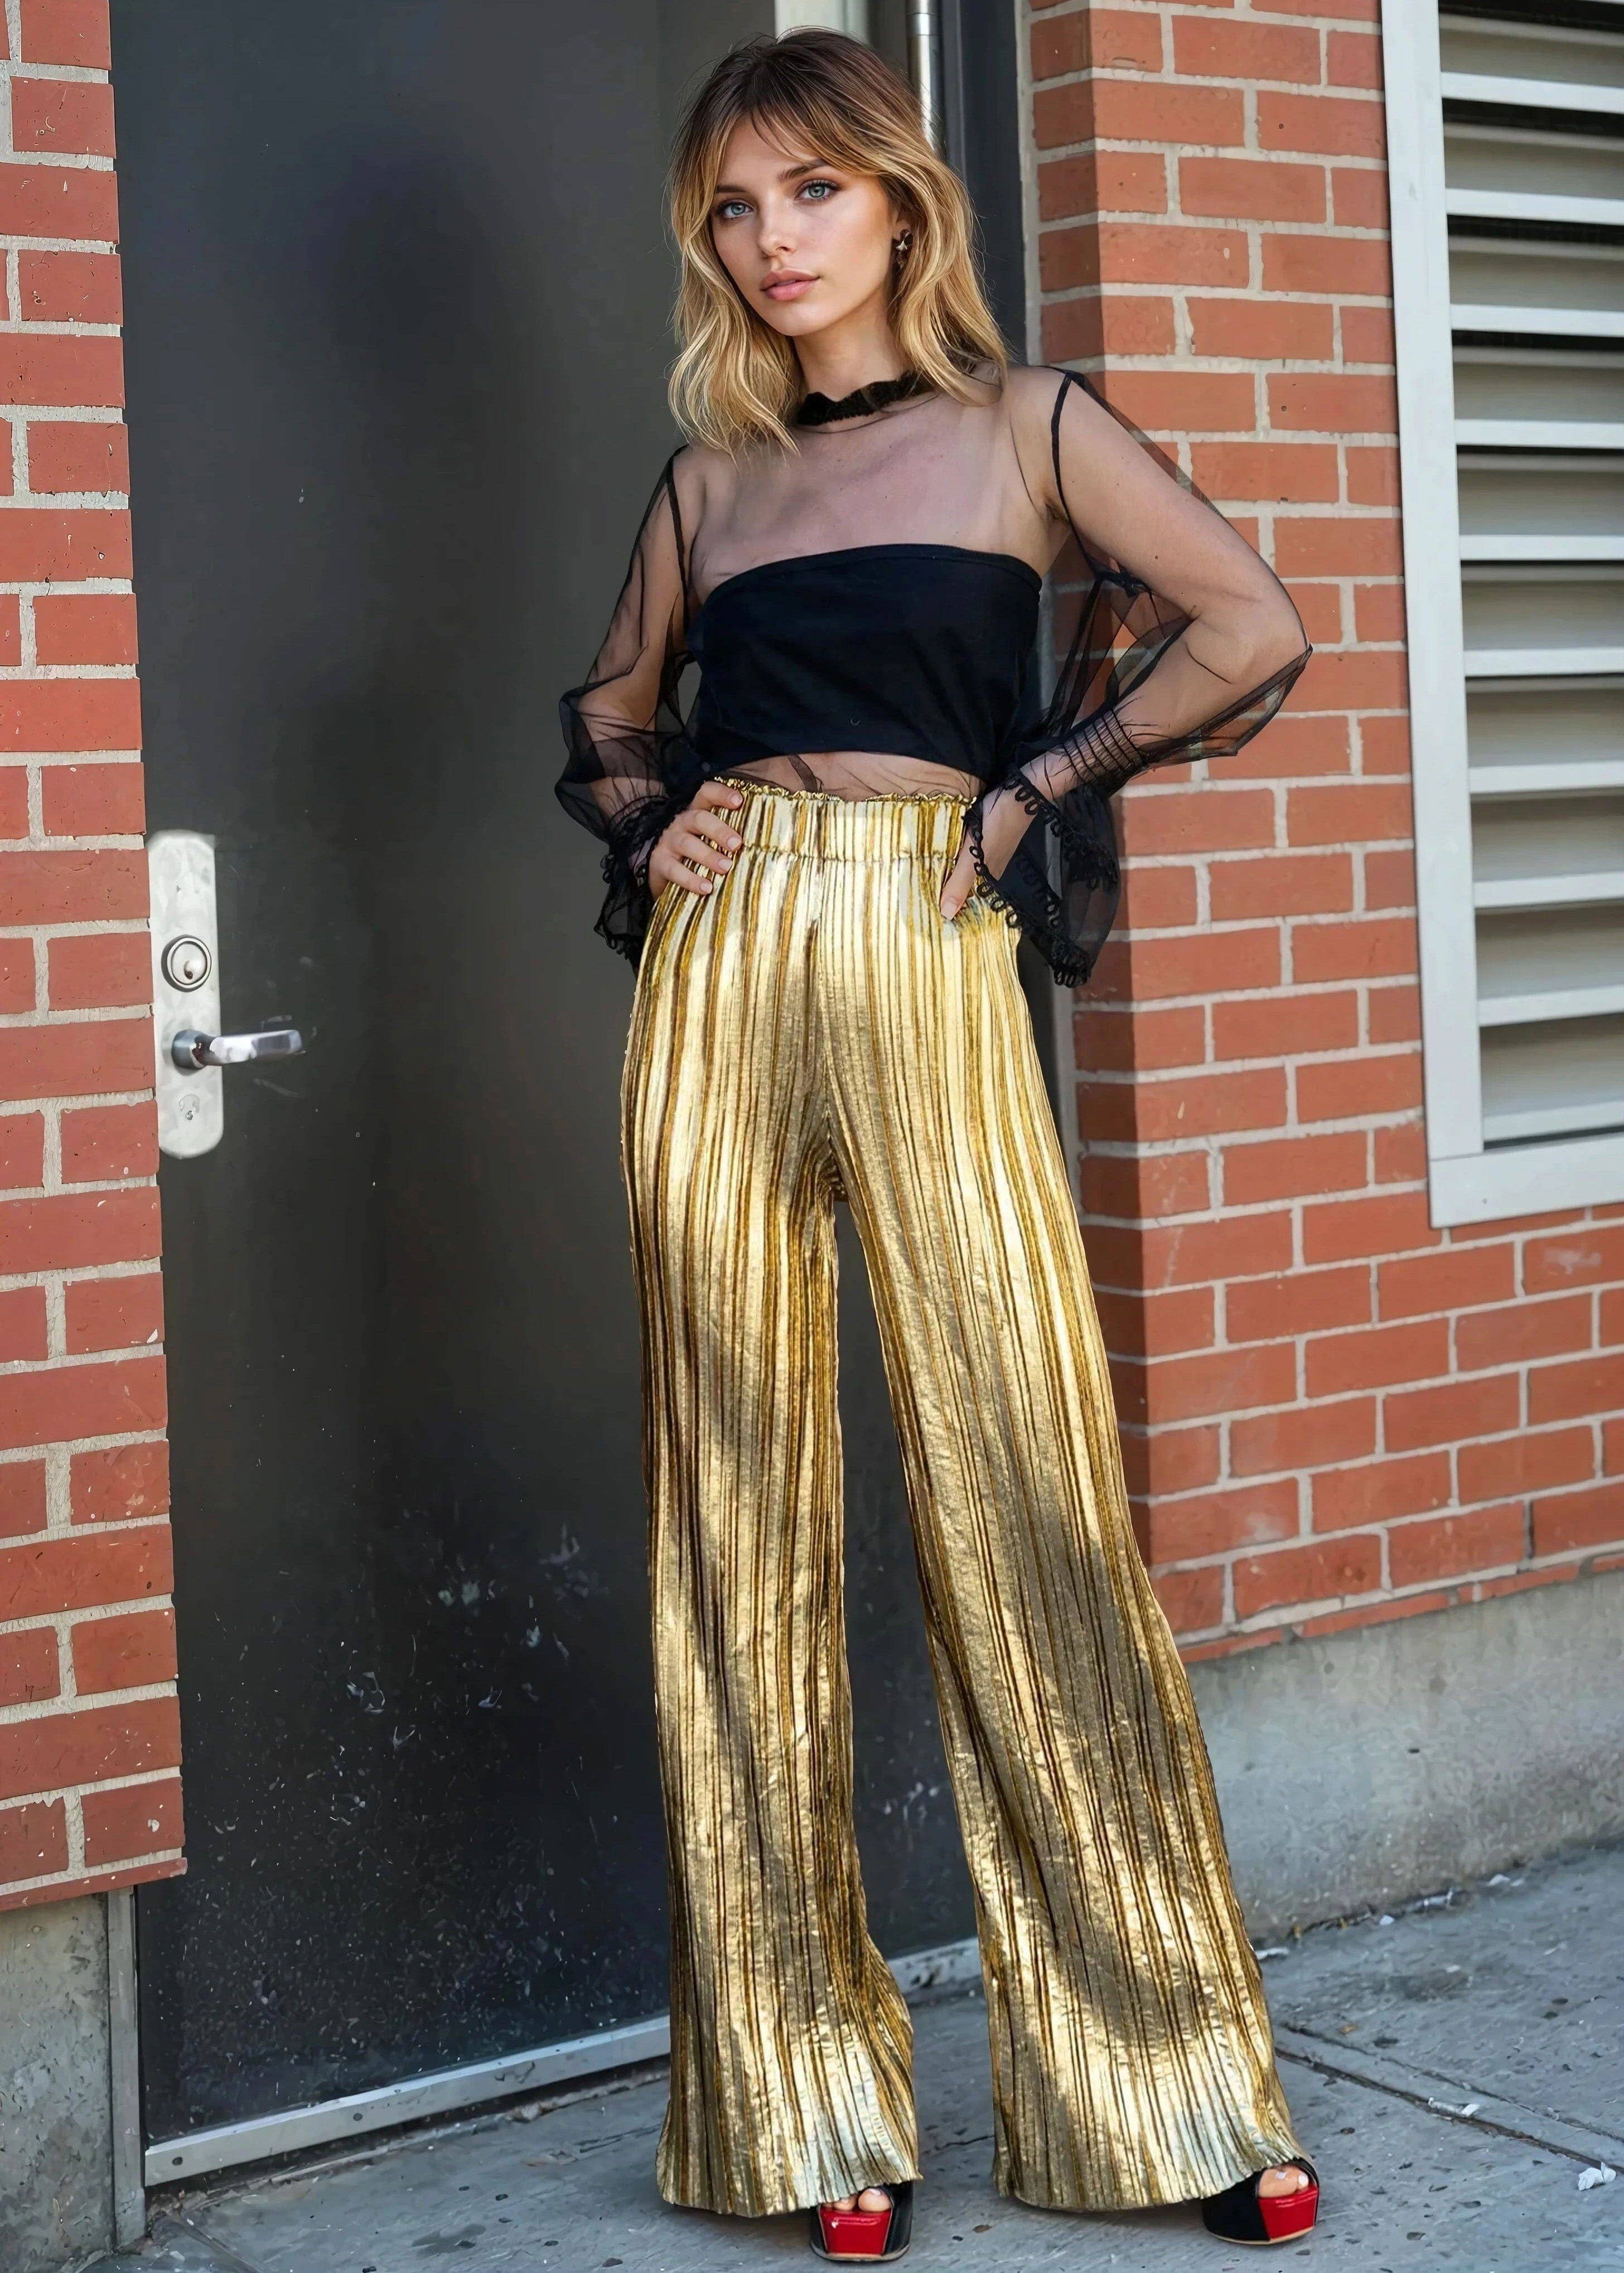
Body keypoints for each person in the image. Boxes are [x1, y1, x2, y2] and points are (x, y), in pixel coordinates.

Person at [557, 27, 1320, 2265]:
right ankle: (799, 2104)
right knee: (733, 1511)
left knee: (1025, 1485)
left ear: (900, 199)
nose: (771, 241)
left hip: (924, 934)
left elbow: (1250, 623)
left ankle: (1166, 2080)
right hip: (722, 983)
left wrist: (1032, 789)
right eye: (732, 208)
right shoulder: (708, 484)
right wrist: (660, 814)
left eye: (810, 191)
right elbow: (609, 715)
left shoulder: (1027, 426)